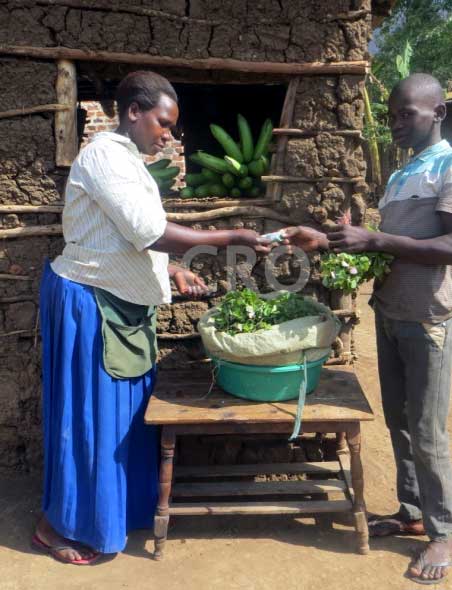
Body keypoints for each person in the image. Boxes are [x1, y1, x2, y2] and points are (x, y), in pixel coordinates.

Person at [32, 70, 271, 565]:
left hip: (118, 302)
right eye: (163, 123)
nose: (169, 135)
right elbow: (148, 230)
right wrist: (232, 237)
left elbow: (124, 234)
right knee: (89, 421)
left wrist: (175, 269)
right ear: (134, 112)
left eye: (173, 126)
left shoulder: (130, 162)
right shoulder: (103, 155)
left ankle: (111, 514)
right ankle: (59, 526)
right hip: (91, 303)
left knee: (121, 421)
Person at [283, 73, 452, 585]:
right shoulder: (404, 176)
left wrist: (375, 240)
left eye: (409, 114)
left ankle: (444, 532)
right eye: (393, 115)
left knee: (427, 430)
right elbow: (381, 242)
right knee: (399, 421)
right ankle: (412, 510)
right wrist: (329, 239)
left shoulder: (447, 165)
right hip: (393, 311)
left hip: (428, 317)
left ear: (438, 113)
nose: (398, 123)